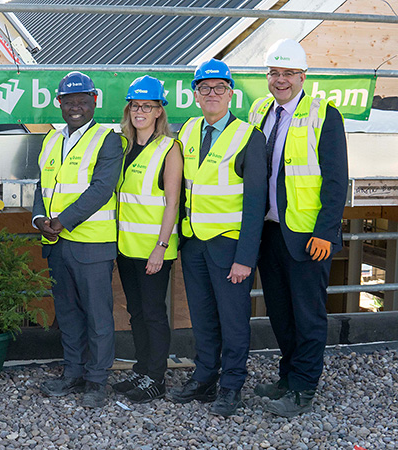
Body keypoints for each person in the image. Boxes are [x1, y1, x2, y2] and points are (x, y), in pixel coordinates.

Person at [248, 39, 348, 417]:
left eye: (288, 73)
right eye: (274, 73)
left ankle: (304, 388)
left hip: (308, 237)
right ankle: (287, 377)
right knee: (280, 313)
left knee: (307, 316)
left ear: (302, 77)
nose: (280, 80)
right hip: (270, 232)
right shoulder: (260, 110)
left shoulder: (325, 114)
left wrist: (326, 231)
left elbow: (337, 181)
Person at [169, 59, 267, 417]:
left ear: (231, 94)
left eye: (219, 88)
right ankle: (206, 376)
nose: (212, 94)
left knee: (233, 318)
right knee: (202, 315)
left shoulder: (248, 136)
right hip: (195, 241)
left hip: (229, 245)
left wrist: (245, 257)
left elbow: (256, 203)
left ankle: (232, 385)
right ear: (195, 95)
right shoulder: (188, 130)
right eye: (204, 88)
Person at [33, 71, 123, 408]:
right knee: (68, 314)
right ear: (59, 104)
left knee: (98, 316)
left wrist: (61, 221)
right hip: (57, 243)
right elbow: (42, 186)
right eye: (69, 101)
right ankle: (73, 373)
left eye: (82, 101)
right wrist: (39, 218)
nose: (75, 107)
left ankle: (97, 381)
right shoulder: (53, 139)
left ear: (94, 102)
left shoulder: (108, 139)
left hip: (92, 244)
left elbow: (101, 189)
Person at [112, 75, 182, 403]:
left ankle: (156, 377)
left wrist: (162, 246)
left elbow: (172, 203)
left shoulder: (169, 149)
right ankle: (141, 370)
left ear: (159, 112)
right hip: (126, 248)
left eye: (148, 106)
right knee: (136, 312)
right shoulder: (124, 146)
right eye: (136, 105)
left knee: (154, 313)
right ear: (129, 109)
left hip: (154, 250)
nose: (141, 111)